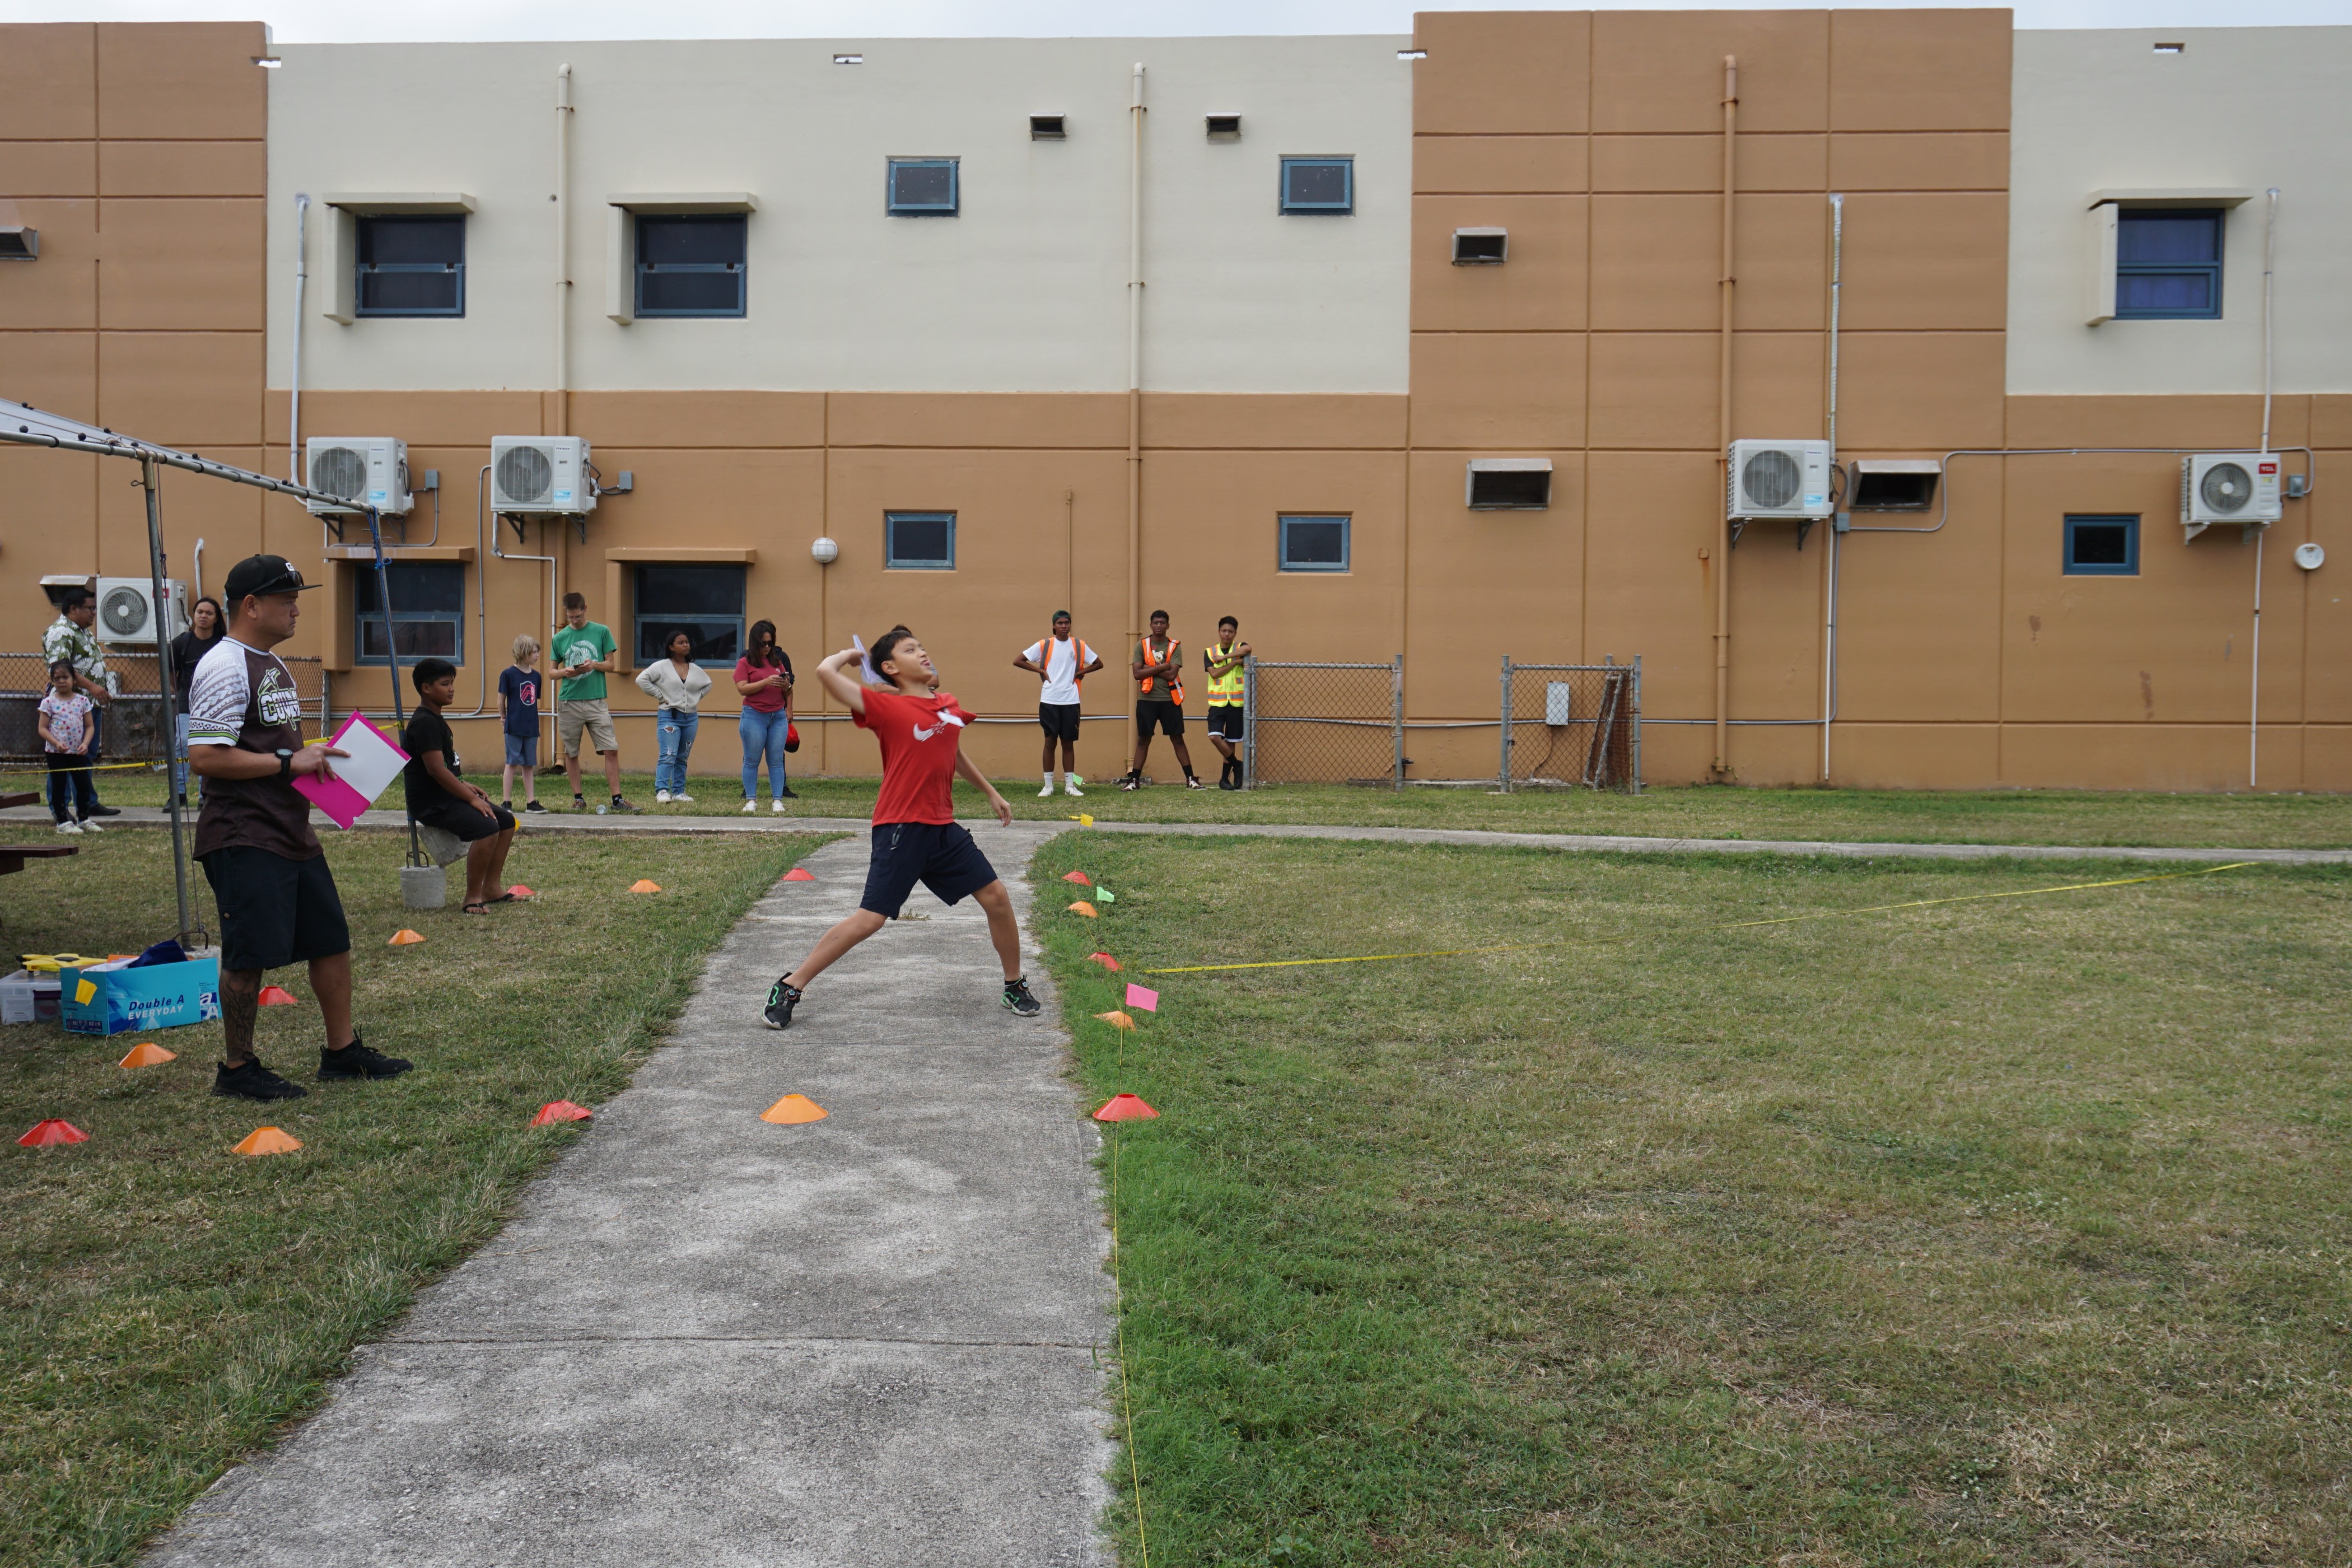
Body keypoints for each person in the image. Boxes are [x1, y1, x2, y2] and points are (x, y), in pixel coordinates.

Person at [187, 553, 410, 1102]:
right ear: (251, 606)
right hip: (243, 832)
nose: (296, 609)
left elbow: (267, 743)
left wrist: (309, 753)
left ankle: (341, 1052)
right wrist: (290, 764)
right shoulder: (223, 665)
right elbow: (205, 757)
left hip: (289, 828)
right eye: (286, 600)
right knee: (248, 953)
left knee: (330, 939)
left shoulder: (273, 663)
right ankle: (237, 1068)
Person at [761, 626, 1042, 1030]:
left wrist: (991, 793)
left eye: (923, 647)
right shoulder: (883, 706)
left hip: (943, 828)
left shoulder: (946, 704)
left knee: (997, 898)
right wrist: (850, 656)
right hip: (900, 828)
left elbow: (953, 751)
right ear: (891, 667)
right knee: (870, 920)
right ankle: (790, 985)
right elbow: (825, 672)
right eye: (911, 650)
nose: (923, 653)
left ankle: (1014, 984)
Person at [403, 656, 521, 916]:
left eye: (452, 683)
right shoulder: (424, 723)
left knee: (506, 821)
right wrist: (471, 799)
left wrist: (464, 784)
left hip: (447, 793)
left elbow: (442, 767)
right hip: (431, 802)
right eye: (445, 684)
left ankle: (491, 888)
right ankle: (472, 897)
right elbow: (435, 770)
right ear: (426, 688)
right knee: (487, 827)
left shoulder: (435, 720)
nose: (452, 689)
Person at [549, 592, 638, 814]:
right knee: (571, 752)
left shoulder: (602, 631)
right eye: (570, 618)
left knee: (611, 749)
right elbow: (551, 673)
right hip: (569, 701)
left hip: (596, 701)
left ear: (585, 608)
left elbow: (611, 665)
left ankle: (617, 799)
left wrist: (594, 665)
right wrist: (564, 672)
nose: (574, 621)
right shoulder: (559, 638)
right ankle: (578, 799)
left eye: (578, 616)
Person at [41, 586, 118, 818]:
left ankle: (87, 802)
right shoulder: (60, 632)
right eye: (90, 608)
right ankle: (60, 808)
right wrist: (93, 686)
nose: (94, 613)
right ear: (73, 609)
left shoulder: (83, 631)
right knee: (62, 757)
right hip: (65, 709)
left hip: (86, 706)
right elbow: (60, 668)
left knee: (84, 754)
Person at [1014, 610, 1103, 798]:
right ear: (1054, 626)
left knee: (1068, 743)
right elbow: (1018, 660)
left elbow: (1098, 663)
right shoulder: (1045, 645)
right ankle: (1048, 786)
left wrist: (1080, 673)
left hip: (1071, 700)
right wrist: (1042, 672)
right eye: (1060, 623)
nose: (1064, 626)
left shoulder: (1079, 645)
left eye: (1067, 623)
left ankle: (1070, 786)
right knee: (1050, 741)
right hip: (1049, 700)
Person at [1118, 609, 1202, 790]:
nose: (1158, 626)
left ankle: (1191, 779)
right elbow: (1136, 673)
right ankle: (1134, 780)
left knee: (1177, 739)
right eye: (1155, 623)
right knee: (1144, 739)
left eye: (1162, 623)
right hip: (1147, 699)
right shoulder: (1142, 645)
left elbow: (1172, 674)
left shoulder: (1174, 646)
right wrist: (1163, 666)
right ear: (1150, 625)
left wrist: (1152, 668)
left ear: (1168, 625)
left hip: (1170, 700)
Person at [637, 628, 713, 804]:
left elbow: (707, 685)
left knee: (682, 756)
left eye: (687, 642)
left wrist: (694, 699)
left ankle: (679, 791)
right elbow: (642, 680)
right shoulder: (662, 666)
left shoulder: (693, 668)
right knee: (668, 754)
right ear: (671, 647)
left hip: (690, 719)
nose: (686, 645)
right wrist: (660, 696)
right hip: (669, 717)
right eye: (681, 643)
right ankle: (662, 790)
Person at [167, 595, 225, 805]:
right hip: (186, 703)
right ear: (193, 615)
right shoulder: (181, 643)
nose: (204, 616)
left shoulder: (223, 644)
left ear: (216, 618)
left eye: (209, 613)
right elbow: (171, 673)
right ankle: (179, 795)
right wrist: (182, 691)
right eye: (200, 612)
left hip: (216, 704)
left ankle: (205, 794)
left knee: (209, 746)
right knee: (182, 744)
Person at [735, 619, 797, 813]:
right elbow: (742, 689)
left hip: (777, 715)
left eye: (771, 643)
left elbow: (788, 690)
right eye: (764, 643)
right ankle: (751, 800)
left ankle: (777, 800)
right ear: (755, 642)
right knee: (752, 759)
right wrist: (766, 682)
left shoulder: (777, 662)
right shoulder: (745, 662)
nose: (768, 647)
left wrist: (786, 689)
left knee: (776, 760)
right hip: (754, 715)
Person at [37, 660, 101, 835]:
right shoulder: (49, 703)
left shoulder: (82, 701)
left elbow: (90, 727)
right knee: (59, 786)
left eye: (65, 677)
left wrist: (85, 744)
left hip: (78, 752)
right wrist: (56, 743)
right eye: (57, 678)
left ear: (73, 679)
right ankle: (63, 822)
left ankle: (84, 818)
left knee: (83, 785)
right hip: (56, 753)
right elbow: (42, 728)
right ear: (52, 681)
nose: (62, 681)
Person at [496, 633, 547, 813]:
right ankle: (506, 802)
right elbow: (501, 700)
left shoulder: (537, 677)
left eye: (537, 651)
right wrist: (503, 717)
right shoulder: (508, 675)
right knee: (512, 762)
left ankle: (531, 802)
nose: (537, 655)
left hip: (531, 727)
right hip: (514, 726)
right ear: (523, 653)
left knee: (528, 764)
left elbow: (533, 701)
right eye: (534, 652)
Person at [1202, 615, 1250, 790]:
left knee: (1231, 741)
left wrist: (1225, 658)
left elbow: (1248, 649)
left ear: (1235, 633)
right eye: (1224, 631)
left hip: (1236, 704)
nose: (1227, 634)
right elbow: (1214, 674)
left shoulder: (1240, 647)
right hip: (1217, 703)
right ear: (1219, 632)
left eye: (1230, 631)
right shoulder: (1210, 652)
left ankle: (1224, 780)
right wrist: (1234, 662)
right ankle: (1238, 766)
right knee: (1215, 737)